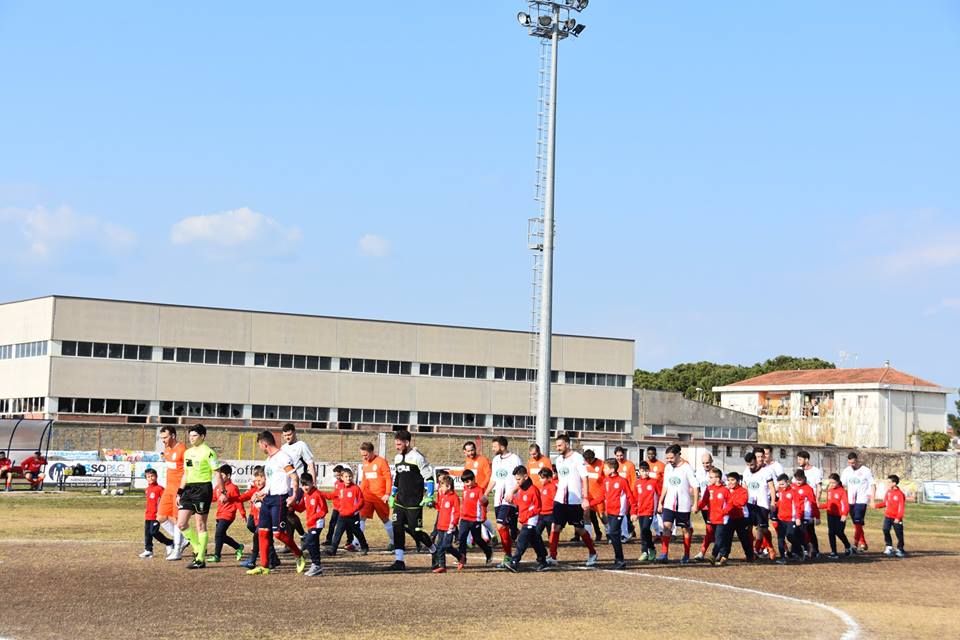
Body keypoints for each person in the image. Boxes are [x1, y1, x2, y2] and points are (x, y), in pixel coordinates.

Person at [247, 430, 305, 576]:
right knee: (262, 532)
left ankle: (298, 554)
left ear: (264, 444)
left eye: (259, 445)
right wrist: (260, 492)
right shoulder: (269, 460)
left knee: (278, 534)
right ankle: (264, 566)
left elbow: (294, 476)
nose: (260, 448)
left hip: (279, 499)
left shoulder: (283, 457)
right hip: (268, 499)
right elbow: (270, 482)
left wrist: (293, 496)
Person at [176, 424, 224, 569]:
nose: (191, 438)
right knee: (181, 523)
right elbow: (186, 473)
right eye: (190, 435)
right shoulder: (187, 453)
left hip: (203, 489)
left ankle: (200, 559)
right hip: (189, 489)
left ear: (202, 436)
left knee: (200, 525)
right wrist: (179, 492)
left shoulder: (209, 452)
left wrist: (221, 490)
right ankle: (198, 548)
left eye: (195, 435)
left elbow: (217, 473)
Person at [387, 430, 436, 571]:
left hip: (414, 502)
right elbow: (398, 478)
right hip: (400, 501)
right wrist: (392, 494)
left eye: (399, 444)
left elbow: (429, 477)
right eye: (395, 444)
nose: (396, 446)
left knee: (416, 531)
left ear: (407, 443)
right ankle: (399, 561)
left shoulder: (417, 457)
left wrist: (429, 495)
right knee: (397, 528)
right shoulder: (397, 458)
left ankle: (434, 549)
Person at [549, 433, 598, 567]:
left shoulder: (577, 457)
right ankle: (552, 556)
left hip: (574, 501)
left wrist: (586, 498)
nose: (558, 448)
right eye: (556, 446)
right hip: (560, 500)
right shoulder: (558, 460)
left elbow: (585, 477)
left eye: (560, 445)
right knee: (556, 527)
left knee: (579, 529)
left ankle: (593, 552)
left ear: (567, 444)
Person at [500, 466, 550, 572]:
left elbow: (537, 508)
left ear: (526, 477)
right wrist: (512, 500)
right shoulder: (522, 489)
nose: (517, 482)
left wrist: (527, 515)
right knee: (535, 540)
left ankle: (514, 561)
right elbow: (521, 503)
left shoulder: (533, 490)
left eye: (518, 479)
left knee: (521, 540)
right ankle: (543, 560)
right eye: (516, 479)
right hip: (525, 520)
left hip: (531, 520)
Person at [656, 444, 698, 564]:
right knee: (666, 526)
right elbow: (665, 485)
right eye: (667, 458)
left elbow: (695, 486)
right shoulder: (668, 467)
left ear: (678, 455)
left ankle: (686, 554)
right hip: (669, 504)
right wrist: (660, 502)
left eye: (671, 458)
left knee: (684, 530)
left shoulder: (687, 467)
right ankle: (664, 554)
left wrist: (695, 503)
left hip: (683, 505)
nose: (669, 461)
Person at [592, 458, 635, 570]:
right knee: (614, 535)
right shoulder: (606, 481)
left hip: (619, 512)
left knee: (613, 533)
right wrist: (589, 504)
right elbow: (601, 496)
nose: (603, 470)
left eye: (605, 468)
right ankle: (618, 559)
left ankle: (620, 560)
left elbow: (630, 496)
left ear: (612, 469)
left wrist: (634, 511)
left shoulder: (622, 481)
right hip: (610, 511)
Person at [447, 441, 494, 543]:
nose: (471, 452)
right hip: (469, 492)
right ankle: (475, 539)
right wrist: (451, 472)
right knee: (469, 515)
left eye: (472, 450)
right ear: (464, 452)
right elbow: (465, 472)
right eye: (468, 451)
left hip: (480, 492)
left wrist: (481, 488)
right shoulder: (468, 460)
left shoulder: (483, 460)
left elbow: (488, 475)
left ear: (475, 449)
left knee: (482, 516)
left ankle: (491, 535)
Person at [238, 467, 278, 570]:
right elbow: (241, 498)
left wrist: (262, 499)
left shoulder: (270, 491)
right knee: (265, 539)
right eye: (256, 481)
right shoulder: (254, 490)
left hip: (267, 519)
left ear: (266, 478)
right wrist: (230, 497)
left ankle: (252, 561)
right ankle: (273, 560)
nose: (258, 483)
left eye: (260, 480)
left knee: (258, 536)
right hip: (258, 520)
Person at [490, 436, 523, 561]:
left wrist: (512, 493)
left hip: (510, 499)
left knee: (500, 525)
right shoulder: (496, 460)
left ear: (502, 446)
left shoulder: (515, 459)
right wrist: (485, 494)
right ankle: (509, 554)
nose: (493, 448)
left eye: (494, 446)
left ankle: (508, 556)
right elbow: (493, 479)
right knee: (508, 529)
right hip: (498, 499)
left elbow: (521, 479)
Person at [158, 426, 188, 560]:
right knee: (161, 517)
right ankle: (184, 539)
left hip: (179, 490)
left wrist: (182, 490)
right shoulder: (167, 450)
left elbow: (187, 472)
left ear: (173, 436)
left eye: (165, 437)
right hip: (168, 489)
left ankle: (177, 549)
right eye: (161, 438)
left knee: (177, 520)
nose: (163, 440)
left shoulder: (183, 449)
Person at [280, 423, 315, 540]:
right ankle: (290, 542)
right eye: (285, 436)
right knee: (286, 513)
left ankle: (302, 534)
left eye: (289, 434)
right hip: (286, 485)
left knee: (289, 510)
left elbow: (310, 463)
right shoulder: (283, 448)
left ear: (294, 433)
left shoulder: (301, 445)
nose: (287, 437)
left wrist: (313, 483)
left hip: (299, 485)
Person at [325, 468, 369, 556]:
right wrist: (321, 494)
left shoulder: (356, 488)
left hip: (353, 516)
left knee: (357, 532)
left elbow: (361, 501)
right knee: (338, 532)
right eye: (346, 476)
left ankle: (364, 547)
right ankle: (333, 550)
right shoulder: (340, 488)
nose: (348, 478)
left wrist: (353, 510)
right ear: (342, 478)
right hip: (342, 515)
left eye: (350, 476)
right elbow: (333, 495)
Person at [742, 451, 778, 560]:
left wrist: (772, 502)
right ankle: (753, 551)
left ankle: (770, 547)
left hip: (762, 504)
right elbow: (745, 488)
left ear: (756, 461)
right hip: (749, 504)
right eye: (748, 465)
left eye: (752, 464)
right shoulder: (746, 472)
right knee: (748, 528)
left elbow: (772, 487)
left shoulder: (766, 472)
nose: (750, 467)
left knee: (763, 528)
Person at [455, 469, 493, 569]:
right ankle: (462, 558)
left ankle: (488, 551)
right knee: (462, 538)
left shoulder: (479, 490)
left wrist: (485, 502)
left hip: (475, 519)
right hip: (464, 518)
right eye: (464, 482)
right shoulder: (465, 489)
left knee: (477, 539)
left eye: (468, 481)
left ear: (473, 479)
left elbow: (484, 502)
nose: (466, 484)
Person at [358, 441, 394, 549]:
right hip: (367, 496)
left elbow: (388, 479)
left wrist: (387, 493)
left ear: (372, 452)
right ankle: (357, 542)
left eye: (366, 455)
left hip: (380, 497)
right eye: (362, 455)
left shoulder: (381, 462)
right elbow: (364, 480)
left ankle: (393, 541)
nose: (364, 457)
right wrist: (359, 493)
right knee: (361, 518)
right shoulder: (365, 463)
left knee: (385, 519)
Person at [840, 451, 875, 552]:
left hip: (861, 500)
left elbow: (872, 484)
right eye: (850, 463)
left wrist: (872, 500)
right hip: (850, 500)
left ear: (857, 460)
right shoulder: (847, 471)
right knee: (856, 523)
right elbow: (842, 485)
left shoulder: (866, 470)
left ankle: (855, 545)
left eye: (854, 463)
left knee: (858, 521)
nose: (852, 465)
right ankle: (863, 542)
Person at [210, 464, 246, 563]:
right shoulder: (218, 487)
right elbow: (213, 498)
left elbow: (238, 501)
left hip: (228, 515)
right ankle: (238, 546)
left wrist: (243, 513)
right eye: (219, 475)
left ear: (228, 476)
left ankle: (217, 556)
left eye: (222, 475)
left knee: (218, 534)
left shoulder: (233, 488)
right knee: (221, 535)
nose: (220, 477)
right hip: (219, 514)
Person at [696, 467, 732, 565]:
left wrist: (725, 511)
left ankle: (713, 555)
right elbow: (704, 501)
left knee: (719, 537)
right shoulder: (709, 489)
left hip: (722, 519)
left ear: (717, 478)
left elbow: (730, 503)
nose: (709, 479)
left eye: (711, 477)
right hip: (712, 518)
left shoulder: (725, 490)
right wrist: (697, 507)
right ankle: (724, 556)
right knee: (719, 537)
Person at [295, 472, 328, 577]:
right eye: (303, 485)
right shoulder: (305, 494)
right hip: (310, 524)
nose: (305, 487)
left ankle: (315, 565)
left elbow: (324, 510)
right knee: (314, 544)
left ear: (312, 483)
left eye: (307, 484)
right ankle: (317, 566)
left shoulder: (318, 494)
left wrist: (314, 517)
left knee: (308, 542)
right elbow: (301, 508)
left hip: (317, 524)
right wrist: (292, 505)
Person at [140, 468, 173, 558]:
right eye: (148, 477)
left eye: (152, 476)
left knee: (154, 532)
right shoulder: (147, 489)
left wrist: (163, 512)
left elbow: (165, 501)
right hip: (148, 515)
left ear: (156, 477)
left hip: (157, 515)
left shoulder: (160, 489)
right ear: (146, 478)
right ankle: (148, 550)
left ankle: (169, 543)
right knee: (147, 533)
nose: (151, 478)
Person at [431, 475, 462, 573]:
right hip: (440, 526)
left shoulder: (454, 498)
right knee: (439, 546)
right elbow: (440, 508)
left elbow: (457, 512)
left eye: (442, 486)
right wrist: (433, 504)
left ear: (448, 487)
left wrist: (453, 523)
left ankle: (460, 557)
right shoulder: (443, 497)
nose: (440, 488)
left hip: (449, 527)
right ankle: (442, 566)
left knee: (446, 546)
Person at [819, 473, 852, 559]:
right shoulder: (829, 491)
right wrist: (819, 506)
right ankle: (834, 552)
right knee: (831, 533)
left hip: (840, 516)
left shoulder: (842, 491)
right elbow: (828, 504)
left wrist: (844, 514)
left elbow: (846, 505)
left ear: (838, 482)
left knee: (839, 532)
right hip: (830, 515)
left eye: (833, 482)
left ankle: (848, 546)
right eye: (830, 483)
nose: (831, 484)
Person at [724, 472, 755, 562]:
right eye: (729, 480)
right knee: (727, 537)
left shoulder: (743, 491)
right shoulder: (726, 490)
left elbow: (742, 502)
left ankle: (750, 556)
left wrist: (731, 503)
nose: (730, 482)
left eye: (732, 480)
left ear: (738, 481)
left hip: (741, 518)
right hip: (730, 517)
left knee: (744, 538)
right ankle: (724, 555)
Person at [631, 461, 658, 562]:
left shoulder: (654, 482)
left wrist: (660, 506)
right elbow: (634, 498)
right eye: (643, 471)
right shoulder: (637, 483)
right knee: (644, 532)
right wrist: (633, 512)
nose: (645, 473)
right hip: (640, 511)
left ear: (649, 471)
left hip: (650, 511)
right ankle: (650, 550)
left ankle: (645, 551)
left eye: (647, 470)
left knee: (645, 529)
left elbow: (659, 494)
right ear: (639, 472)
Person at [874, 475, 906, 557]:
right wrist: (876, 506)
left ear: (894, 483)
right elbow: (885, 503)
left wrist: (898, 518)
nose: (887, 484)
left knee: (899, 534)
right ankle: (889, 546)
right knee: (885, 529)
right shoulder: (888, 492)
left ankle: (900, 549)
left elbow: (901, 507)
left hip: (896, 518)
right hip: (888, 516)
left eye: (889, 482)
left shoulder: (900, 494)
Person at [793, 468, 821, 560]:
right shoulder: (792, 487)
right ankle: (799, 550)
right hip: (796, 515)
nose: (798, 481)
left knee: (810, 533)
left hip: (807, 515)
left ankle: (815, 550)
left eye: (800, 479)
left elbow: (813, 503)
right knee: (797, 533)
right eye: (797, 479)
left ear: (804, 478)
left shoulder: (808, 489)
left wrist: (816, 516)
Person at [774, 474, 801, 564]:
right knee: (780, 538)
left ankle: (799, 548)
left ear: (788, 482)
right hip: (781, 519)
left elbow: (797, 506)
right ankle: (783, 557)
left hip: (791, 519)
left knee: (790, 536)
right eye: (779, 484)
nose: (780, 486)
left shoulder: (794, 492)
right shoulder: (781, 491)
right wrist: (775, 505)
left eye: (782, 484)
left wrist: (797, 518)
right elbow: (780, 502)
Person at [613, 446, 638, 542]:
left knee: (625, 513)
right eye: (617, 456)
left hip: (627, 494)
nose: (619, 457)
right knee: (620, 513)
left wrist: (630, 493)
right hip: (617, 494)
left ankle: (627, 532)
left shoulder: (630, 465)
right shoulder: (614, 465)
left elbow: (633, 480)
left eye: (621, 455)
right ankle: (628, 530)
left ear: (624, 454)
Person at [581, 449, 605, 542]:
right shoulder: (584, 464)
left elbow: (606, 479)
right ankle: (591, 535)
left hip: (599, 495)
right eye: (586, 459)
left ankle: (609, 533)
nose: (587, 461)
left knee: (602, 516)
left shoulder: (601, 464)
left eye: (589, 459)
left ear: (593, 457)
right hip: (588, 495)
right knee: (588, 515)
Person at [323, 465, 346, 549]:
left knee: (345, 526)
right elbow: (334, 495)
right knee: (332, 524)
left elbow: (335, 495)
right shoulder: (336, 483)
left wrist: (324, 494)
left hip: (343, 509)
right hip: (336, 508)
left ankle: (349, 541)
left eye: (338, 475)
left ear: (342, 474)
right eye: (335, 476)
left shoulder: (345, 483)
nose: (337, 477)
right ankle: (329, 540)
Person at [535, 467, 557, 544]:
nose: (540, 480)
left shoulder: (552, 487)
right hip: (541, 514)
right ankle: (540, 548)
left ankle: (552, 549)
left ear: (549, 478)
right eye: (539, 478)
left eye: (542, 478)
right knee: (536, 532)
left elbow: (555, 501)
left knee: (551, 534)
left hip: (550, 515)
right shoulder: (541, 487)